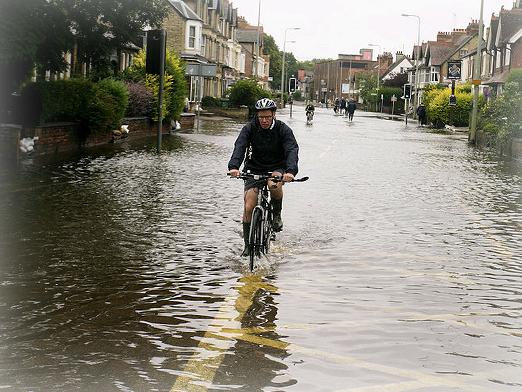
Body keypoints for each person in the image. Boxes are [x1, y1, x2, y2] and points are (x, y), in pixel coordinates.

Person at [228, 98, 299, 256]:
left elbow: (291, 149)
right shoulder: (249, 128)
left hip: (277, 167)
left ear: (273, 115)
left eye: (267, 117)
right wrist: (233, 167)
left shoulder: (283, 129)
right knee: (249, 205)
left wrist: (290, 171)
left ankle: (277, 215)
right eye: (261, 117)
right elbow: (239, 146)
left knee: (274, 185)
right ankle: (247, 246)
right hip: (254, 167)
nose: (264, 120)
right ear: (257, 116)